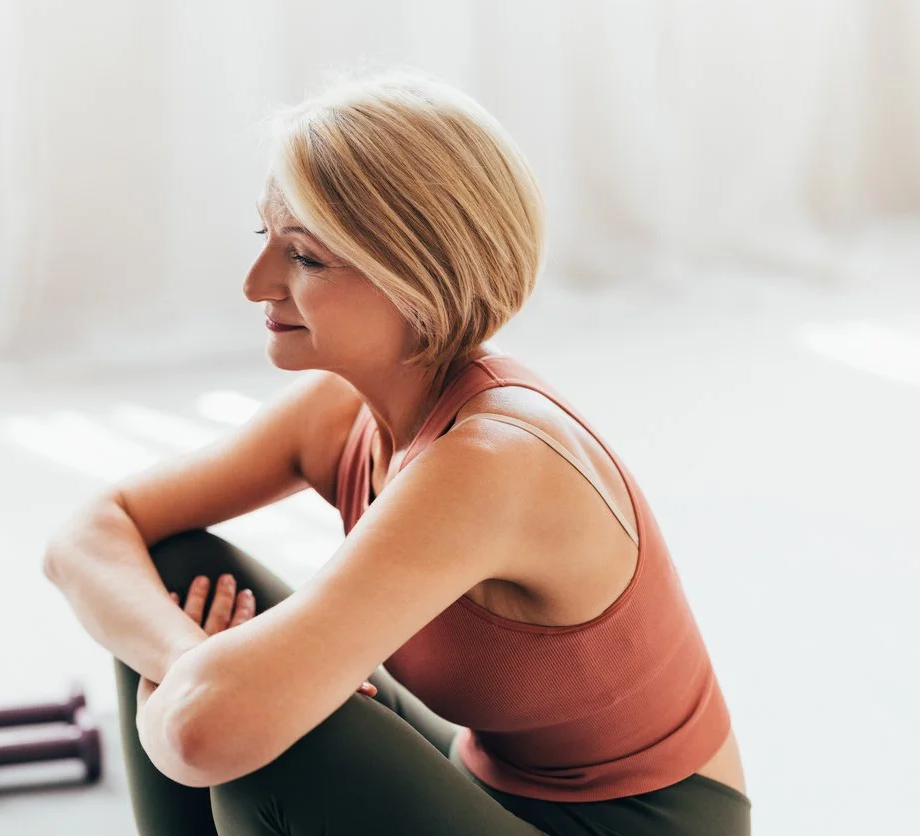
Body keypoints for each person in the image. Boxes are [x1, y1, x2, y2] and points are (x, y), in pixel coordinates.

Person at [45, 64, 751, 835]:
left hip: (629, 827)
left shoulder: (494, 462)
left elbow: (200, 734)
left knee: (273, 741)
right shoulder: (341, 412)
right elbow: (87, 532)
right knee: (181, 573)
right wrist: (187, 663)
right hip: (490, 780)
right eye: (265, 237)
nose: (256, 283)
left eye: (304, 257)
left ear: (415, 277)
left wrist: (183, 701)